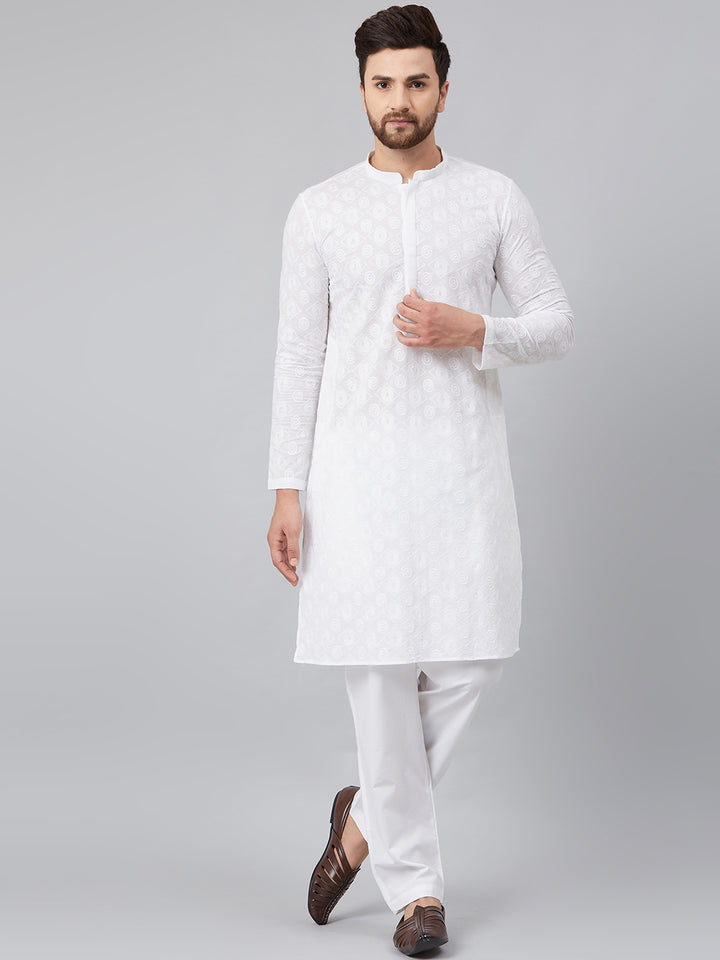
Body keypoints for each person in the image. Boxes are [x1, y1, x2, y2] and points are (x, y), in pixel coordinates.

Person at [266, 4, 574, 955]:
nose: (398, 100)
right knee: (379, 676)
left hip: (459, 470)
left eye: (415, 82)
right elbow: (298, 356)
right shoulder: (319, 210)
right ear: (361, 90)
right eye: (382, 83)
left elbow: (555, 321)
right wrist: (286, 487)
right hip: (353, 477)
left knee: (473, 660)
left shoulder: (492, 199)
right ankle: (419, 896)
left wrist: (473, 328)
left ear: (444, 87)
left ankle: (363, 818)